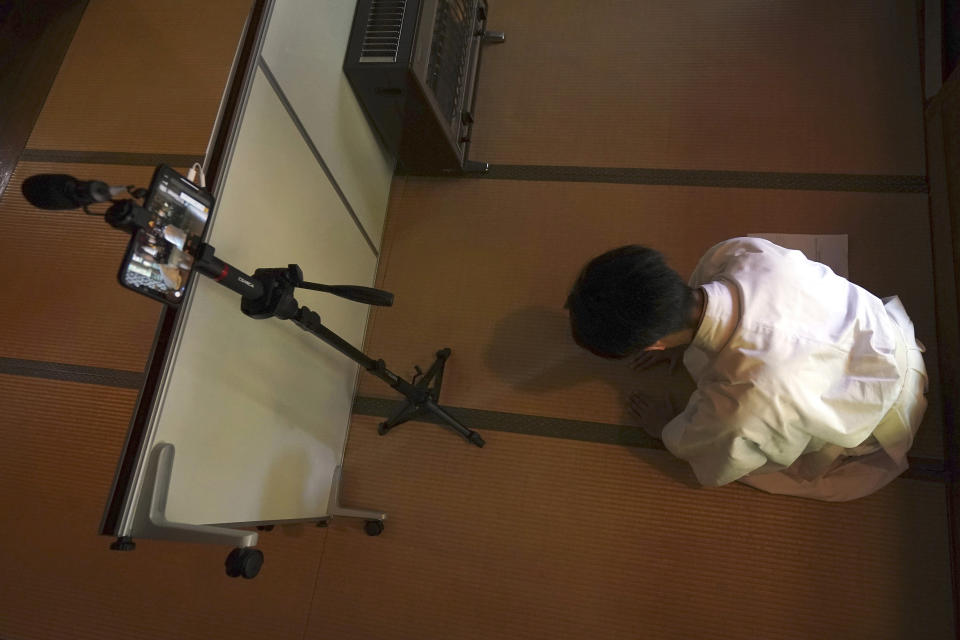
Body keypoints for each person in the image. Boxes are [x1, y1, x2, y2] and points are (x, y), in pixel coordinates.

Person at [565, 237, 928, 501]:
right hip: (885, 334)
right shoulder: (742, 251)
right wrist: (679, 342)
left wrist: (664, 428)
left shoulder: (743, 403)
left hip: (887, 408)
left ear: (651, 344)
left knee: (747, 450)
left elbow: (717, 458)